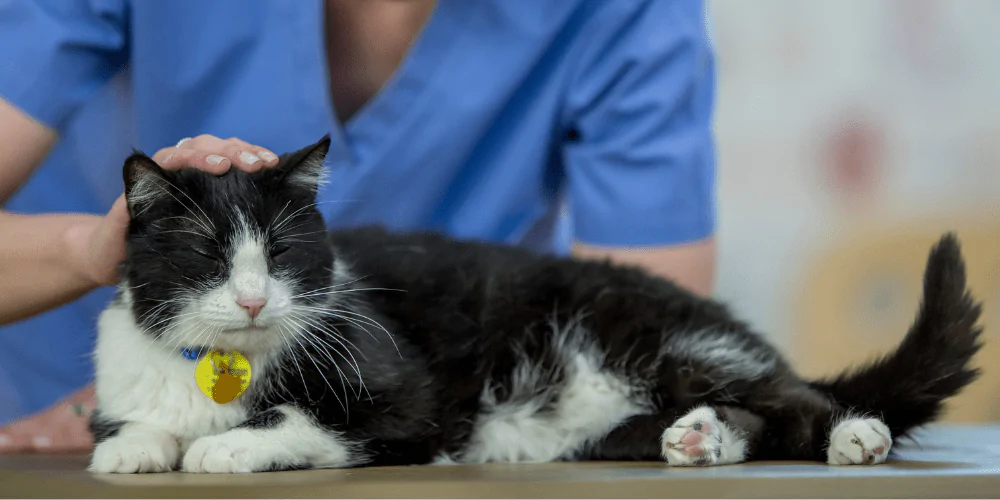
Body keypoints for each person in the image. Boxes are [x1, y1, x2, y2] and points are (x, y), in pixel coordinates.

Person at [0, 0, 718, 452]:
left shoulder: (627, 13)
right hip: (79, 406)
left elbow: (648, 341)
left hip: (447, 418)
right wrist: (90, 251)